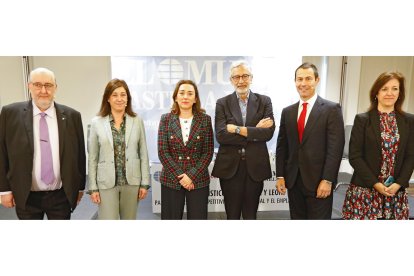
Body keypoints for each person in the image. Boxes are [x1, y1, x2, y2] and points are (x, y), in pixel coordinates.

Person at [0, 67, 86, 219]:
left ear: (56, 87)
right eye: (38, 85)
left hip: (61, 196)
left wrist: (79, 188)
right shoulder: (9, 114)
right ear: (29, 86)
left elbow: (80, 155)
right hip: (26, 196)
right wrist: (4, 190)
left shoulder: (73, 116)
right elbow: (2, 153)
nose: (43, 90)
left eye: (48, 85)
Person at [276, 62, 345, 219]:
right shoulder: (288, 112)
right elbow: (282, 146)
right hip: (293, 181)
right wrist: (280, 176)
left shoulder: (331, 109)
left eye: (308, 79)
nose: (303, 83)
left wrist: (327, 180)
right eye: (299, 79)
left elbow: (335, 149)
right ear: (295, 82)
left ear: (317, 80)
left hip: (319, 182)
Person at [342, 72, 414, 219]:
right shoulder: (363, 120)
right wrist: (376, 184)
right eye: (384, 89)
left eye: (395, 88)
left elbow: (411, 156)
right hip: (365, 191)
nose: (390, 93)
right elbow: (355, 157)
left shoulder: (409, 120)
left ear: (400, 93)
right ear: (376, 92)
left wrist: (399, 183)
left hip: (395, 193)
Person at [212, 61, 275, 220]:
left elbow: (268, 134)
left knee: (250, 215)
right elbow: (221, 136)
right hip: (230, 168)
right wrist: (255, 131)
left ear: (251, 78)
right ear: (231, 80)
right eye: (236, 77)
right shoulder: (222, 103)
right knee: (232, 215)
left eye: (245, 76)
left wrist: (236, 129)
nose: (241, 80)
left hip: (255, 167)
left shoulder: (264, 101)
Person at [88, 78, 150, 220]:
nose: (119, 99)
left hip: (132, 182)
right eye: (115, 95)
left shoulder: (137, 121)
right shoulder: (96, 123)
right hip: (106, 182)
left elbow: (143, 153)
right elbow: (93, 157)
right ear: (108, 98)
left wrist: (145, 183)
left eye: (123, 95)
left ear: (128, 98)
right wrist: (93, 187)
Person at [158, 80, 214, 219]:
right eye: (181, 93)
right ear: (176, 97)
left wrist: (191, 176)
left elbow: (208, 152)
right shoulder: (166, 119)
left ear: (195, 99)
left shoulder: (205, 120)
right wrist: (182, 177)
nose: (185, 97)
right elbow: (163, 152)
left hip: (198, 180)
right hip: (171, 179)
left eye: (190, 94)